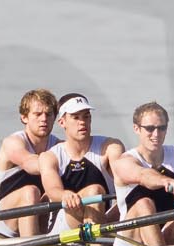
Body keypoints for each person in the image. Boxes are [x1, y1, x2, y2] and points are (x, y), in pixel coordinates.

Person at [38, 93, 120, 233]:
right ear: (62, 122)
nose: (82, 122)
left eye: (86, 116)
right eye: (75, 117)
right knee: (94, 191)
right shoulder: (50, 157)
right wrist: (65, 195)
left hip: (101, 220)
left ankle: (98, 242)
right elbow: (53, 190)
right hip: (63, 225)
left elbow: (125, 187)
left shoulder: (110, 148)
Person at [0, 88, 60, 237]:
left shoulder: (58, 146)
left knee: (56, 193)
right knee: (30, 191)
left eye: (48, 114)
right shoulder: (13, 142)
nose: (44, 119)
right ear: (24, 117)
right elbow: (29, 163)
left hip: (35, 215)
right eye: (37, 114)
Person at [108, 102, 174, 246]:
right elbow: (143, 175)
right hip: (132, 240)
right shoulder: (124, 161)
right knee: (144, 203)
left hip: (166, 234)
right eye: (149, 128)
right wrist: (165, 181)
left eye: (161, 128)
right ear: (136, 128)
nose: (156, 134)